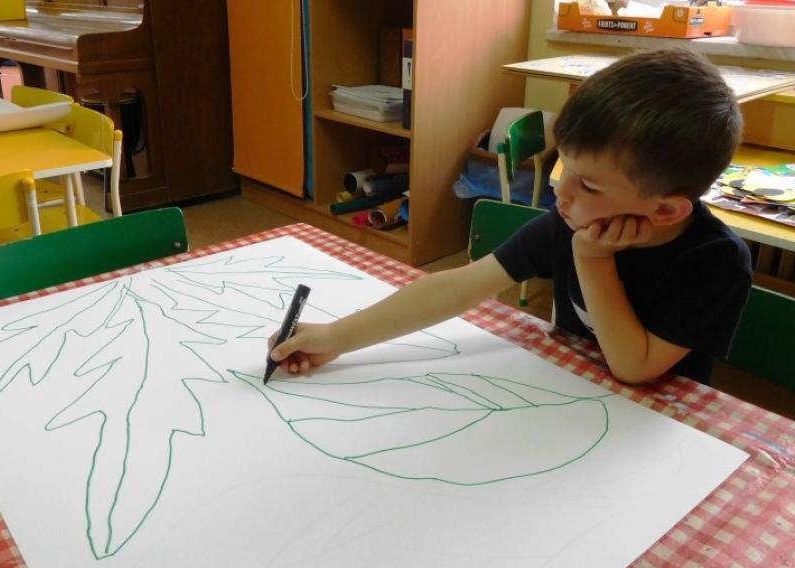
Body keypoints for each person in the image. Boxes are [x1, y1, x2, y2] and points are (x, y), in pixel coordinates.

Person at [270, 48, 752, 386]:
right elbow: (455, 287)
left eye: (588, 184)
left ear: (665, 209)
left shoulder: (714, 261)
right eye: (563, 167)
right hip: (567, 392)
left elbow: (634, 367)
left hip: (655, 429)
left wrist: (593, 261)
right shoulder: (571, 220)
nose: (560, 190)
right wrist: (337, 336)